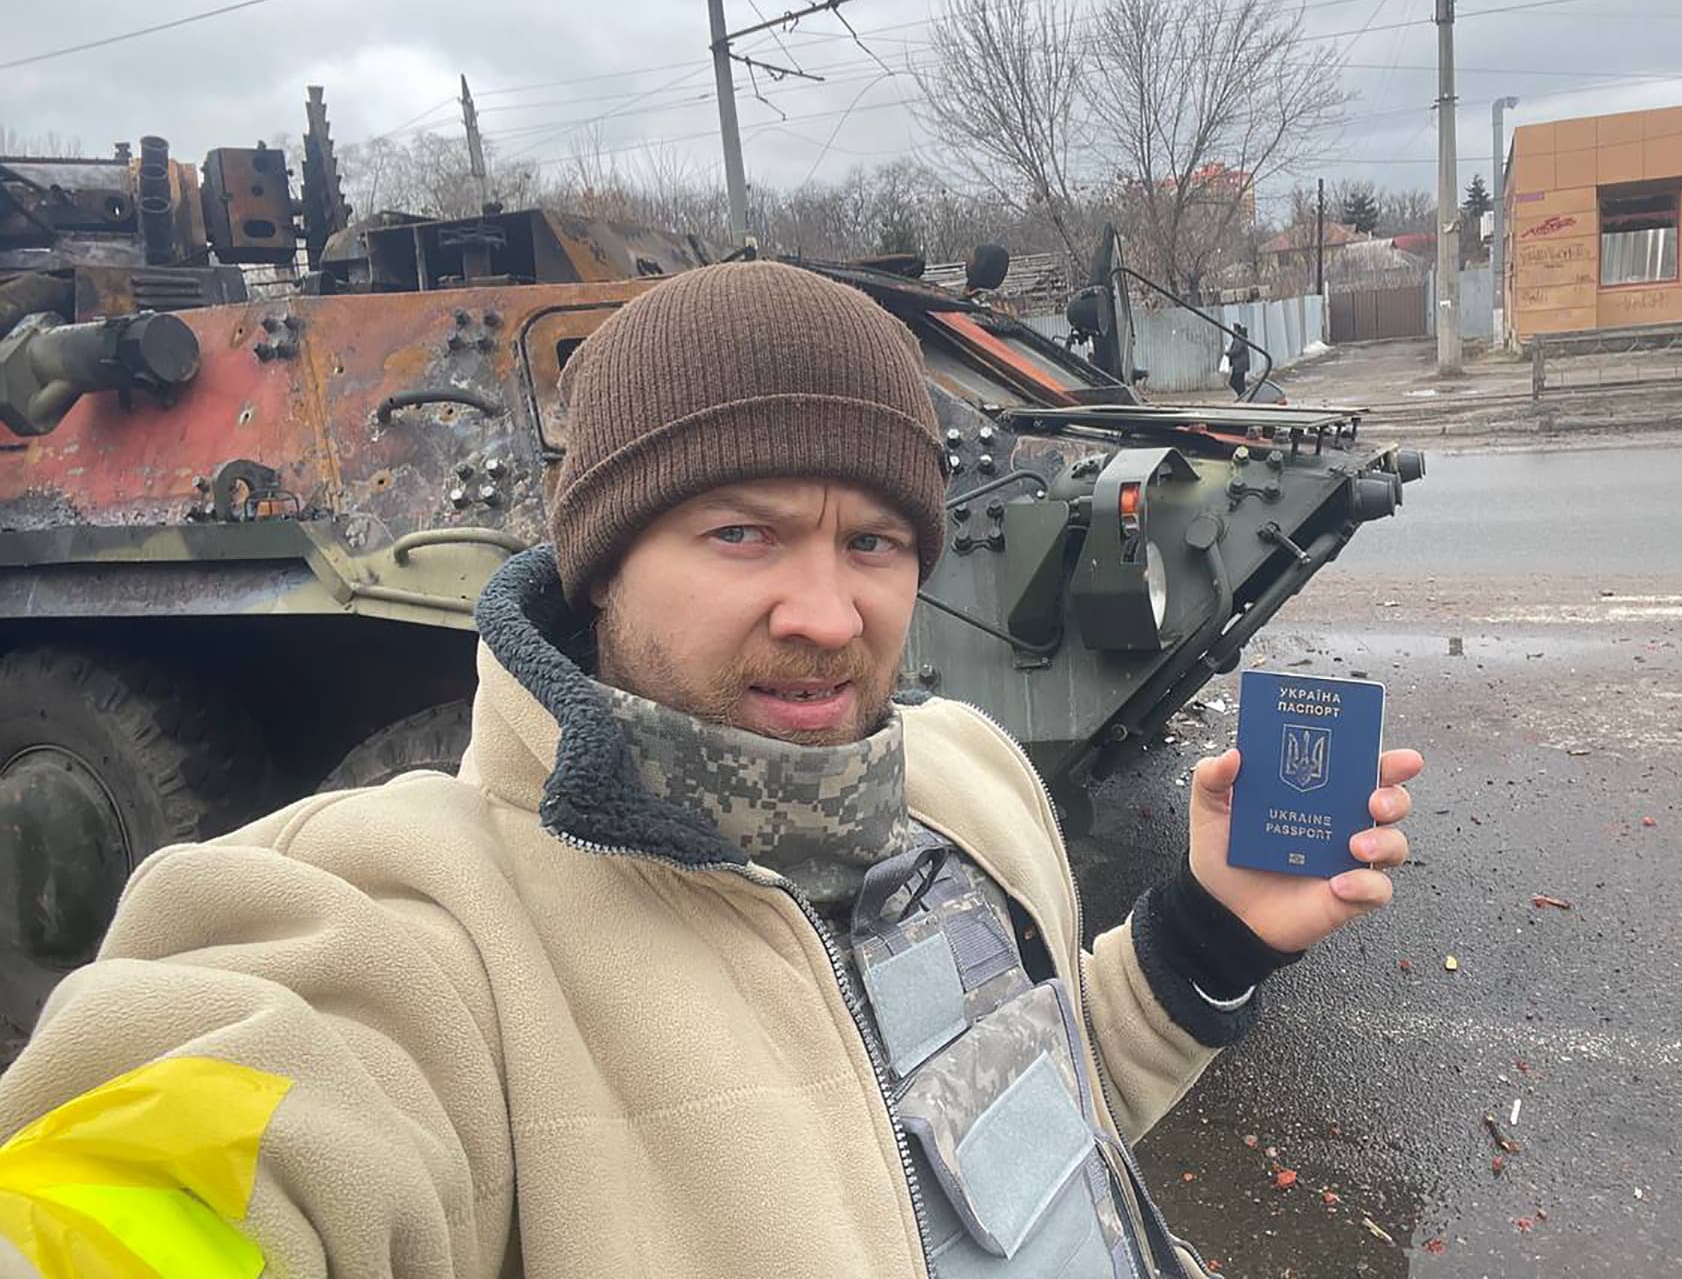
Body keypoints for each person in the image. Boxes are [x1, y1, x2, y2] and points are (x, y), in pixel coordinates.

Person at [0, 263, 1417, 1279]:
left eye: (875, 541)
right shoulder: (425, 937)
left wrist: (1203, 944)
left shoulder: (970, 783)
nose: (826, 611)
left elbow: (1007, 1125)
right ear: (603, 558)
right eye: (740, 533)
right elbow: (176, 1176)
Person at [1226, 322, 1251, 398]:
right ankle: (1243, 396)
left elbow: (1236, 350)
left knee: (1234, 381)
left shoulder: (1238, 339)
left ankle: (1242, 395)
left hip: (1239, 365)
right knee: (1239, 382)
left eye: (1232, 330)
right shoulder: (1240, 338)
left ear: (1236, 330)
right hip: (1241, 364)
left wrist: (1228, 353)